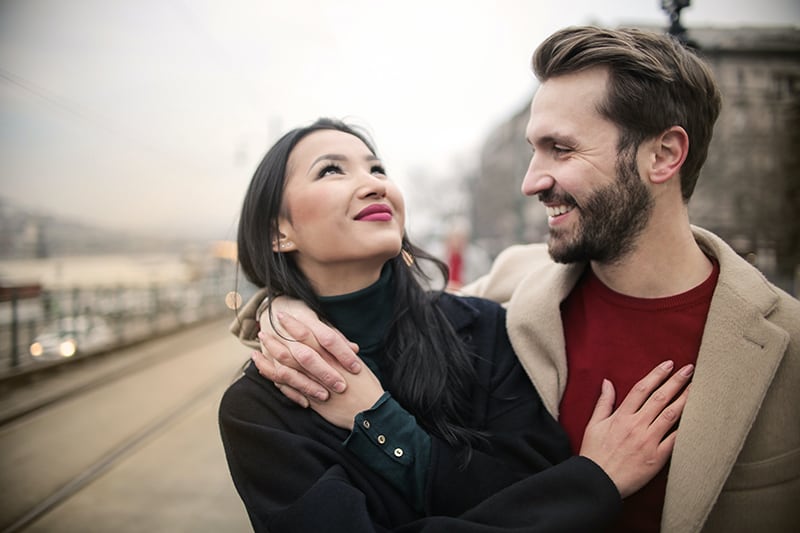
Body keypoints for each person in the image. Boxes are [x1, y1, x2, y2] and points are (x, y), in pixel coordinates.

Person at [241, 27, 800, 533]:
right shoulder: (514, 289)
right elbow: (369, 316)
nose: (532, 181)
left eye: (560, 148)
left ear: (664, 154)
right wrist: (280, 306)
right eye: (533, 150)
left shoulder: (789, 343)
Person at [220, 117, 693, 532]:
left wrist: (380, 421)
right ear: (277, 232)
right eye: (331, 170)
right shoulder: (258, 410)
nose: (373, 183)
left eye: (376, 168)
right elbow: (549, 507)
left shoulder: (483, 328)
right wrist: (588, 485)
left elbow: (533, 484)